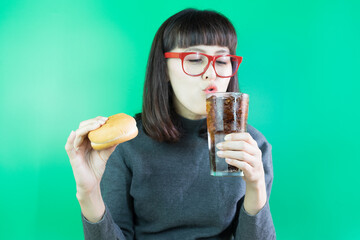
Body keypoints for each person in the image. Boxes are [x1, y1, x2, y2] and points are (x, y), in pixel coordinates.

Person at [65, 8, 276, 240]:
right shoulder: (124, 145)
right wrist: (89, 193)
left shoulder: (252, 147)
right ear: (164, 69)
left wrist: (256, 187)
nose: (211, 74)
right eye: (195, 59)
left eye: (222, 60)